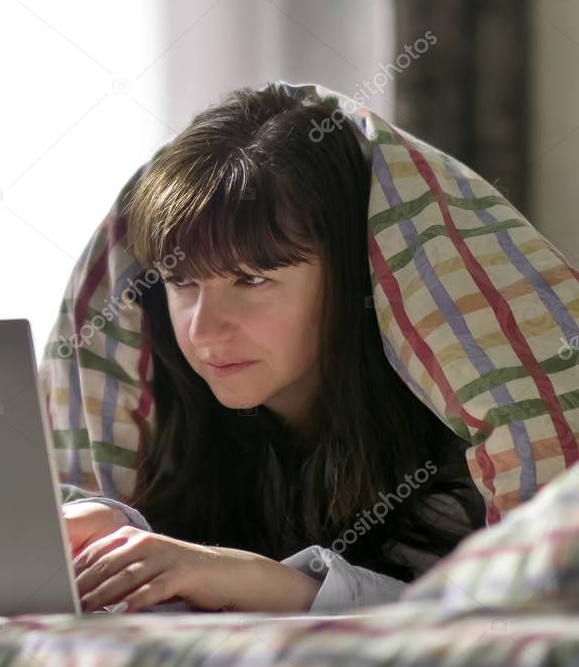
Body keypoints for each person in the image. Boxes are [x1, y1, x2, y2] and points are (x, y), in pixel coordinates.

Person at [57, 83, 487, 614]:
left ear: (358, 277)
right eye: (181, 281)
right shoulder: (174, 431)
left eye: (252, 280)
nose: (204, 330)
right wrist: (120, 534)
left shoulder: (469, 458)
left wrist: (263, 582)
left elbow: (492, 623)